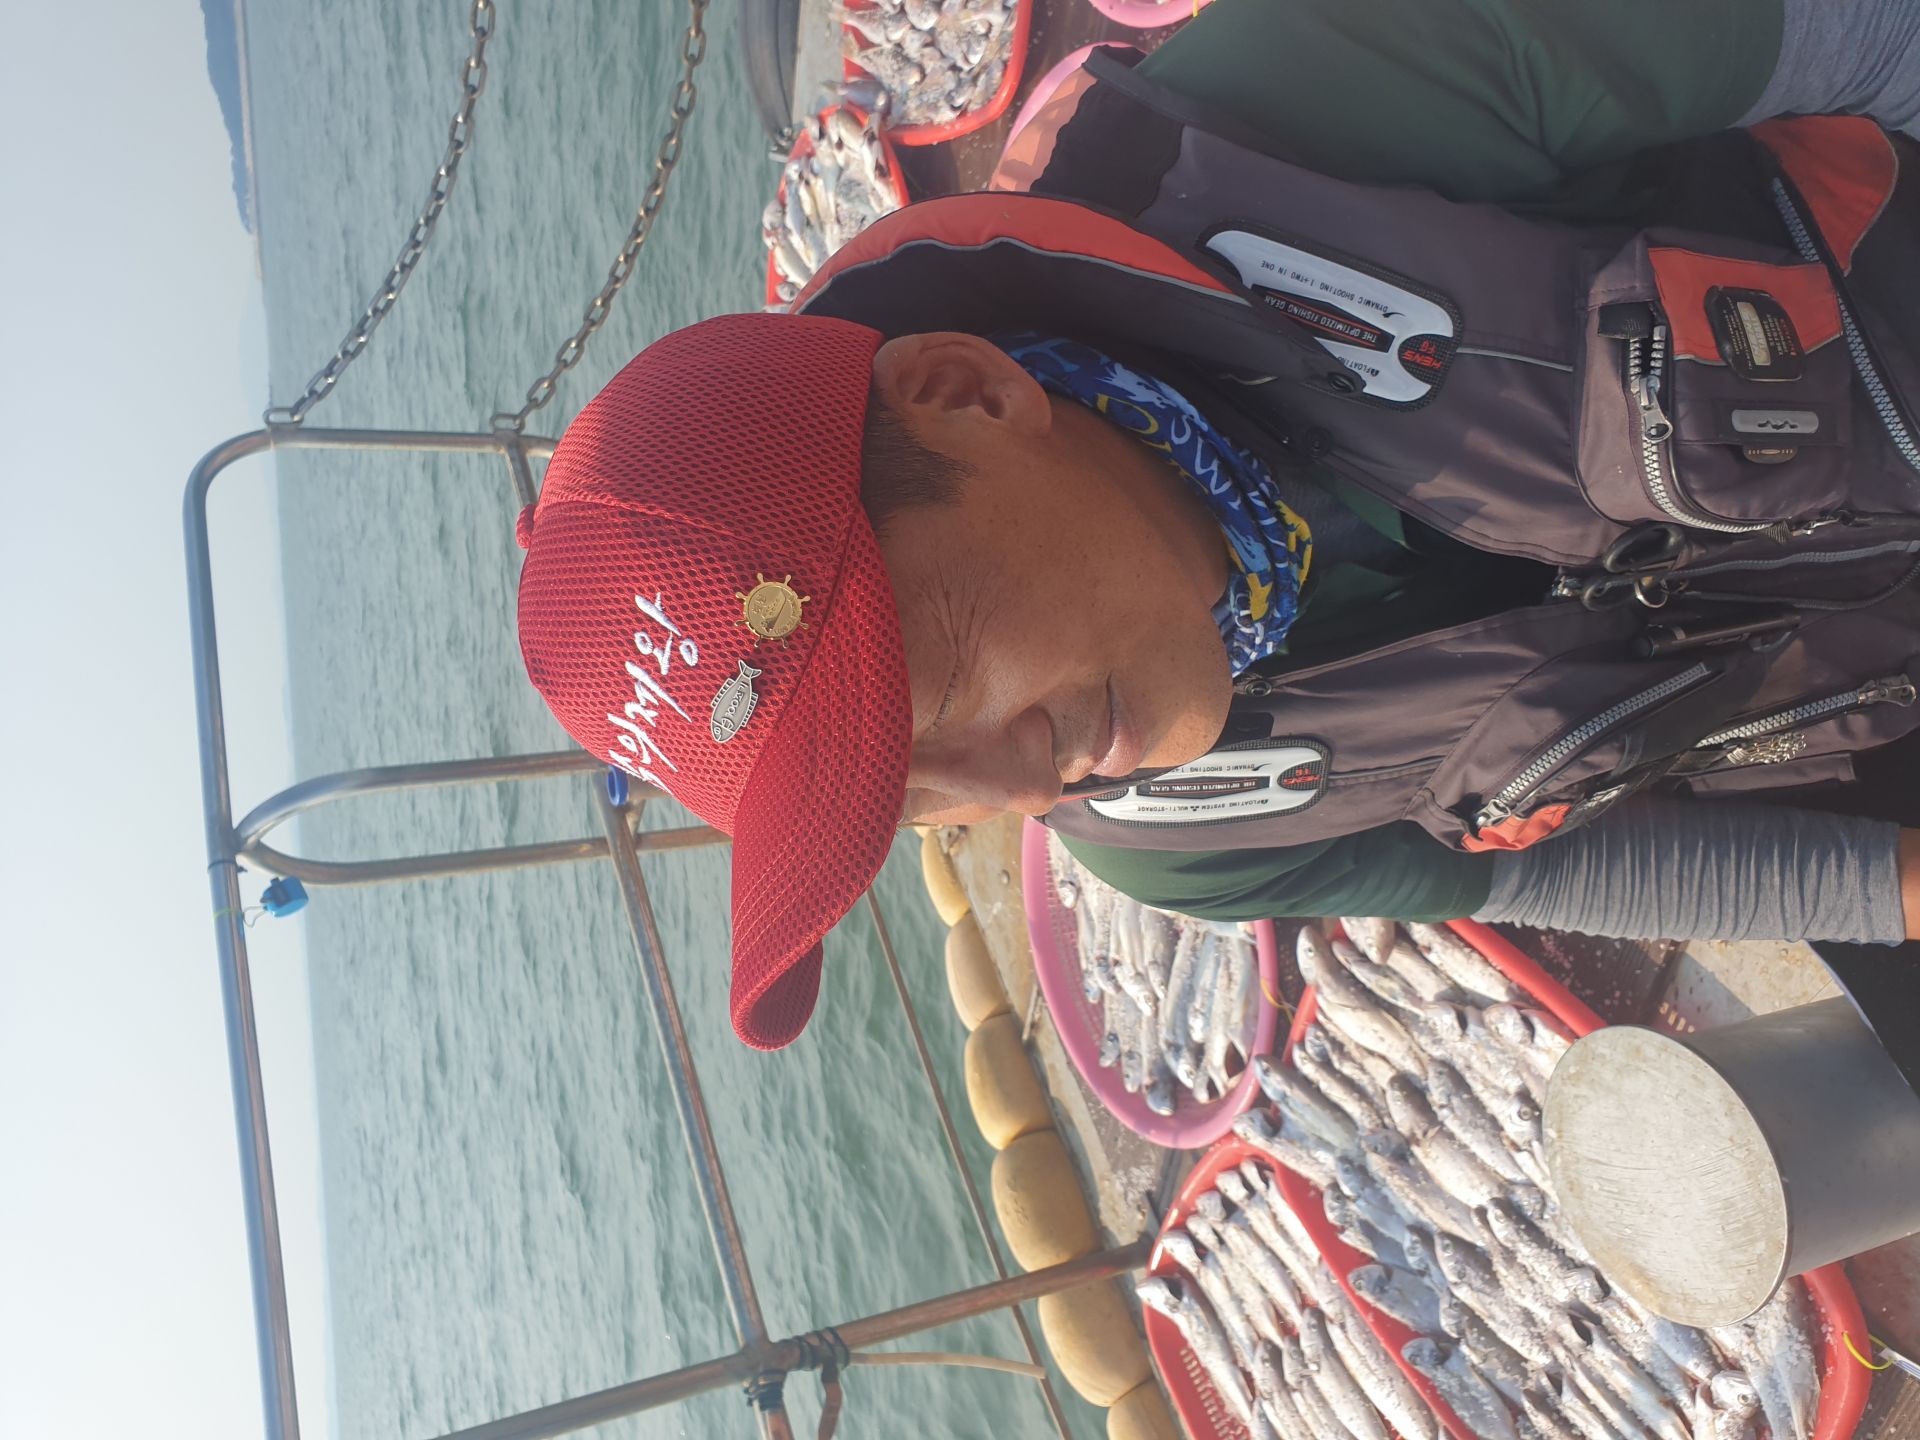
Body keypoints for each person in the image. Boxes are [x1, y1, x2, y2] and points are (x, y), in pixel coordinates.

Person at [516, 0, 1920, 1049]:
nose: (1022, 787)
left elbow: (1860, 34)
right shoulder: (1176, 843)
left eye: (933, 688)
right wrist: (1893, 892)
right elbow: (1564, 869)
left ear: (968, 397)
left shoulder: (1295, 109)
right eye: (910, 797)